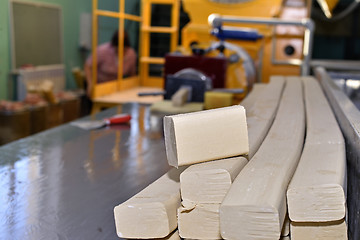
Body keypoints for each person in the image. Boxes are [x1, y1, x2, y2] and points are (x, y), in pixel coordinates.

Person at [84, 30, 137, 96]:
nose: (121, 51)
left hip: (116, 88)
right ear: (113, 45)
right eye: (117, 48)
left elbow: (132, 74)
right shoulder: (102, 50)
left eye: (124, 49)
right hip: (99, 86)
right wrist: (90, 84)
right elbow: (88, 66)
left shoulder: (131, 54)